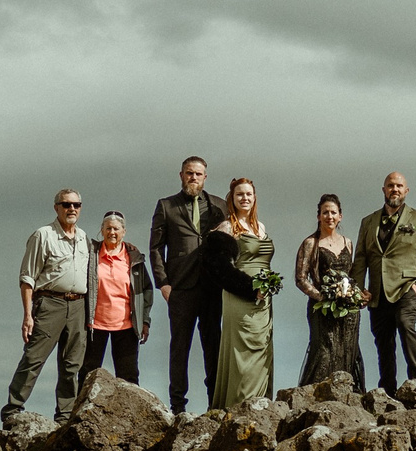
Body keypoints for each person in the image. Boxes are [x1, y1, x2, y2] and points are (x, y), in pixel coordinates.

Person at [3, 188, 90, 427]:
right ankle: (13, 410)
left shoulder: (84, 238)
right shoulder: (43, 235)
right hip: (50, 303)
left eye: (76, 205)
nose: (71, 209)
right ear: (56, 208)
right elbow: (27, 277)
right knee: (34, 358)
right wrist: (27, 315)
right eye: (66, 204)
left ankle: (64, 416)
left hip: (78, 305)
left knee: (72, 364)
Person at [148, 156, 227, 415]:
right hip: (180, 288)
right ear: (181, 175)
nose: (193, 178)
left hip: (212, 287)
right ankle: (178, 406)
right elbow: (156, 248)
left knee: (213, 347)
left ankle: (214, 404)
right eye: (189, 173)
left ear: (205, 177)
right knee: (179, 348)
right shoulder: (166, 206)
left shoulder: (220, 206)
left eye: (198, 174)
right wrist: (163, 283)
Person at [354, 171, 416, 391]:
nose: (395, 189)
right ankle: (387, 389)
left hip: (407, 288)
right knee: (383, 340)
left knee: (405, 325)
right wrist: (358, 290)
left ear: (406, 191)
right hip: (377, 291)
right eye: (391, 185)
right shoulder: (368, 221)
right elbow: (361, 258)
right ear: (384, 189)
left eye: (399, 186)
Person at [200, 177, 277, 411]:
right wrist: (250, 288)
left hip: (264, 302)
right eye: (239, 194)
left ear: (255, 198)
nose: (245, 198)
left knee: (263, 351)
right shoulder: (227, 228)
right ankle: (238, 406)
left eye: (248, 194)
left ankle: (261, 407)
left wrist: (267, 287)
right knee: (242, 353)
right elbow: (219, 269)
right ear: (231, 199)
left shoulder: (261, 227)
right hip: (240, 297)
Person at [297, 194, 366, 388]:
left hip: (348, 311)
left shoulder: (348, 242)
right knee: (324, 352)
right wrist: (324, 297)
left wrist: (357, 294)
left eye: (333, 212)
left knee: (347, 350)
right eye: (325, 212)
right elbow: (301, 279)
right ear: (318, 216)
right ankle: (316, 396)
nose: (329, 216)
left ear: (340, 216)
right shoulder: (310, 243)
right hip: (322, 309)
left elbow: (352, 276)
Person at [85, 210, 152, 386]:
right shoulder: (91, 254)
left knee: (128, 376)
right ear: (102, 230)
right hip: (94, 325)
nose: (112, 232)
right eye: (108, 228)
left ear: (124, 232)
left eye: (116, 229)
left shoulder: (134, 258)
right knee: (87, 374)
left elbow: (146, 290)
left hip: (126, 325)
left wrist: (145, 321)